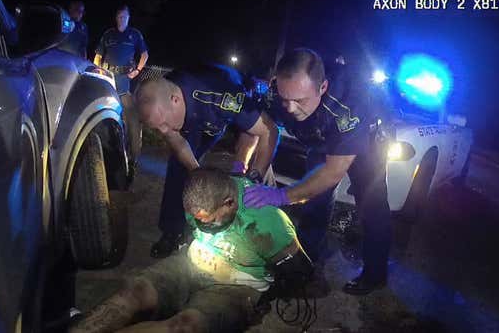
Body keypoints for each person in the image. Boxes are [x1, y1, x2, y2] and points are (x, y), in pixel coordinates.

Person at [69, 168, 312, 333]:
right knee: (135, 291)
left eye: (209, 220)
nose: (202, 224)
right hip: (193, 262)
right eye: (198, 219)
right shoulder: (199, 198)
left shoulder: (267, 222)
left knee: (186, 325)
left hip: (238, 285)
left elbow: (300, 271)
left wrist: (266, 294)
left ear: (229, 203)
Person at [241, 48, 391, 295]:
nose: (289, 108)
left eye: (299, 101)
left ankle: (375, 274)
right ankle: (306, 264)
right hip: (322, 140)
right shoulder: (277, 95)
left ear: (322, 88)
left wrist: (282, 196)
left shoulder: (346, 108)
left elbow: (333, 172)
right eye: (284, 98)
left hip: (367, 143)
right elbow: (258, 128)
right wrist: (248, 168)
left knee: (372, 206)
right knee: (315, 202)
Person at [134, 63, 278, 258]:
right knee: (179, 168)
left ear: (175, 100)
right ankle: (173, 231)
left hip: (220, 115)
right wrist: (197, 174)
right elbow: (177, 141)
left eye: (164, 124)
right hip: (192, 121)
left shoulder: (221, 95)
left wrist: (252, 174)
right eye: (157, 128)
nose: (163, 131)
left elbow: (265, 132)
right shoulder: (162, 105)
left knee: (258, 175)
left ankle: (264, 238)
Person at [94, 5, 149, 165]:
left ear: (128, 18)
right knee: (104, 114)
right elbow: (98, 55)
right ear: (116, 18)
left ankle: (134, 157)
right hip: (108, 80)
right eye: (119, 17)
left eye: (124, 17)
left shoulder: (134, 35)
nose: (121, 19)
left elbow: (145, 54)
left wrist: (137, 70)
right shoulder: (108, 34)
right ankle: (104, 152)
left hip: (126, 82)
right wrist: (98, 71)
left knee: (132, 118)